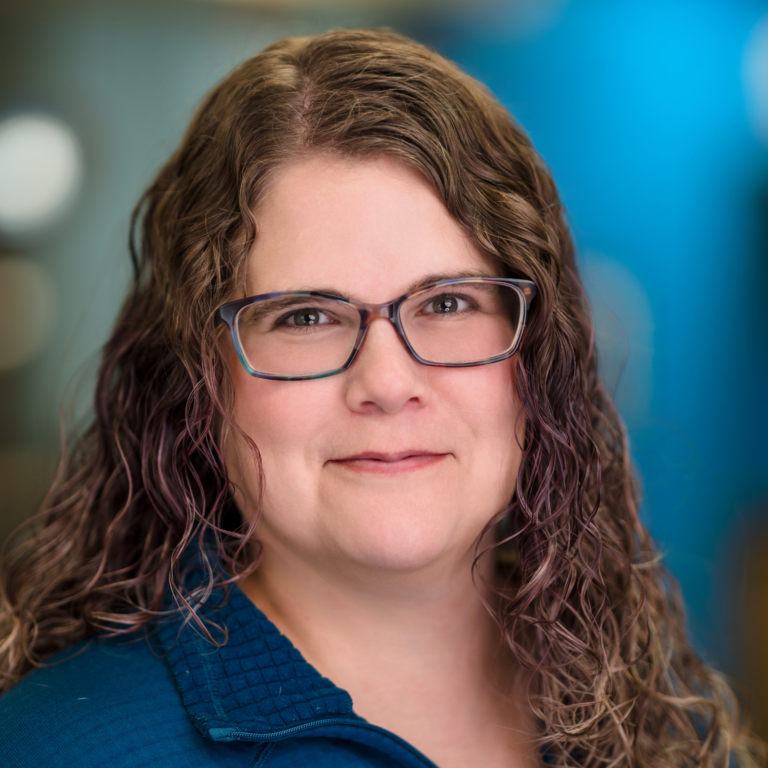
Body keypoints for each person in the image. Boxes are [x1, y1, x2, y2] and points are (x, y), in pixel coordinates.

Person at [0, 28, 761, 768]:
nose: (389, 385)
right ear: (199, 377)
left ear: (539, 354)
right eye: (306, 317)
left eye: (449, 304)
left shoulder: (652, 724)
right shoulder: (63, 750)